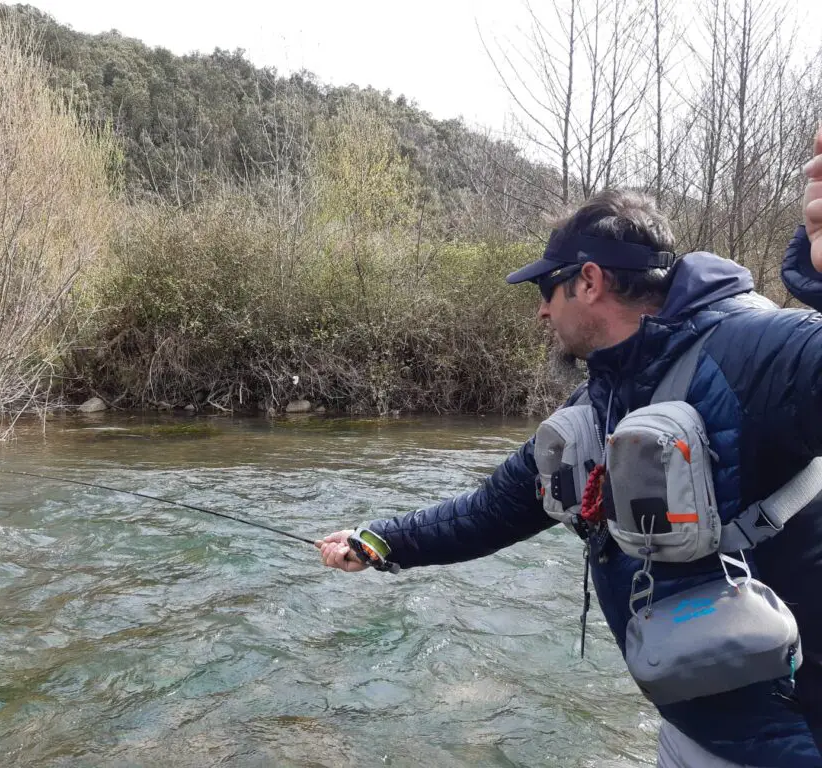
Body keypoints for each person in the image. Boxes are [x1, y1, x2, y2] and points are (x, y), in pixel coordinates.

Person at [317, 126, 822, 767]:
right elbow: (490, 511)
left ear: (587, 282)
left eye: (543, 290)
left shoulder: (755, 350)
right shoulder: (597, 404)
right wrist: (379, 540)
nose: (539, 313)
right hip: (697, 732)